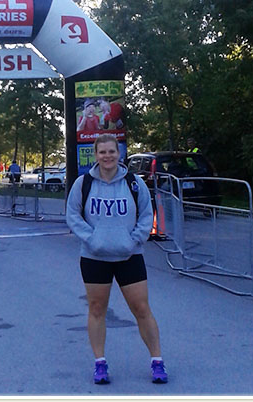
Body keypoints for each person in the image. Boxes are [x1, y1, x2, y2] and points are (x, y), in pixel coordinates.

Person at [66, 134, 168, 385]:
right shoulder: (84, 183)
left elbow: (147, 213)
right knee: (97, 309)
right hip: (94, 257)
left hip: (129, 256)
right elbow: (73, 216)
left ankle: (157, 362)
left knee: (142, 309)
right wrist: (92, 239)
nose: (107, 156)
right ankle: (100, 364)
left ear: (119, 154)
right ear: (96, 154)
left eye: (112, 152)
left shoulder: (134, 183)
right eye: (102, 152)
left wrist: (135, 239)